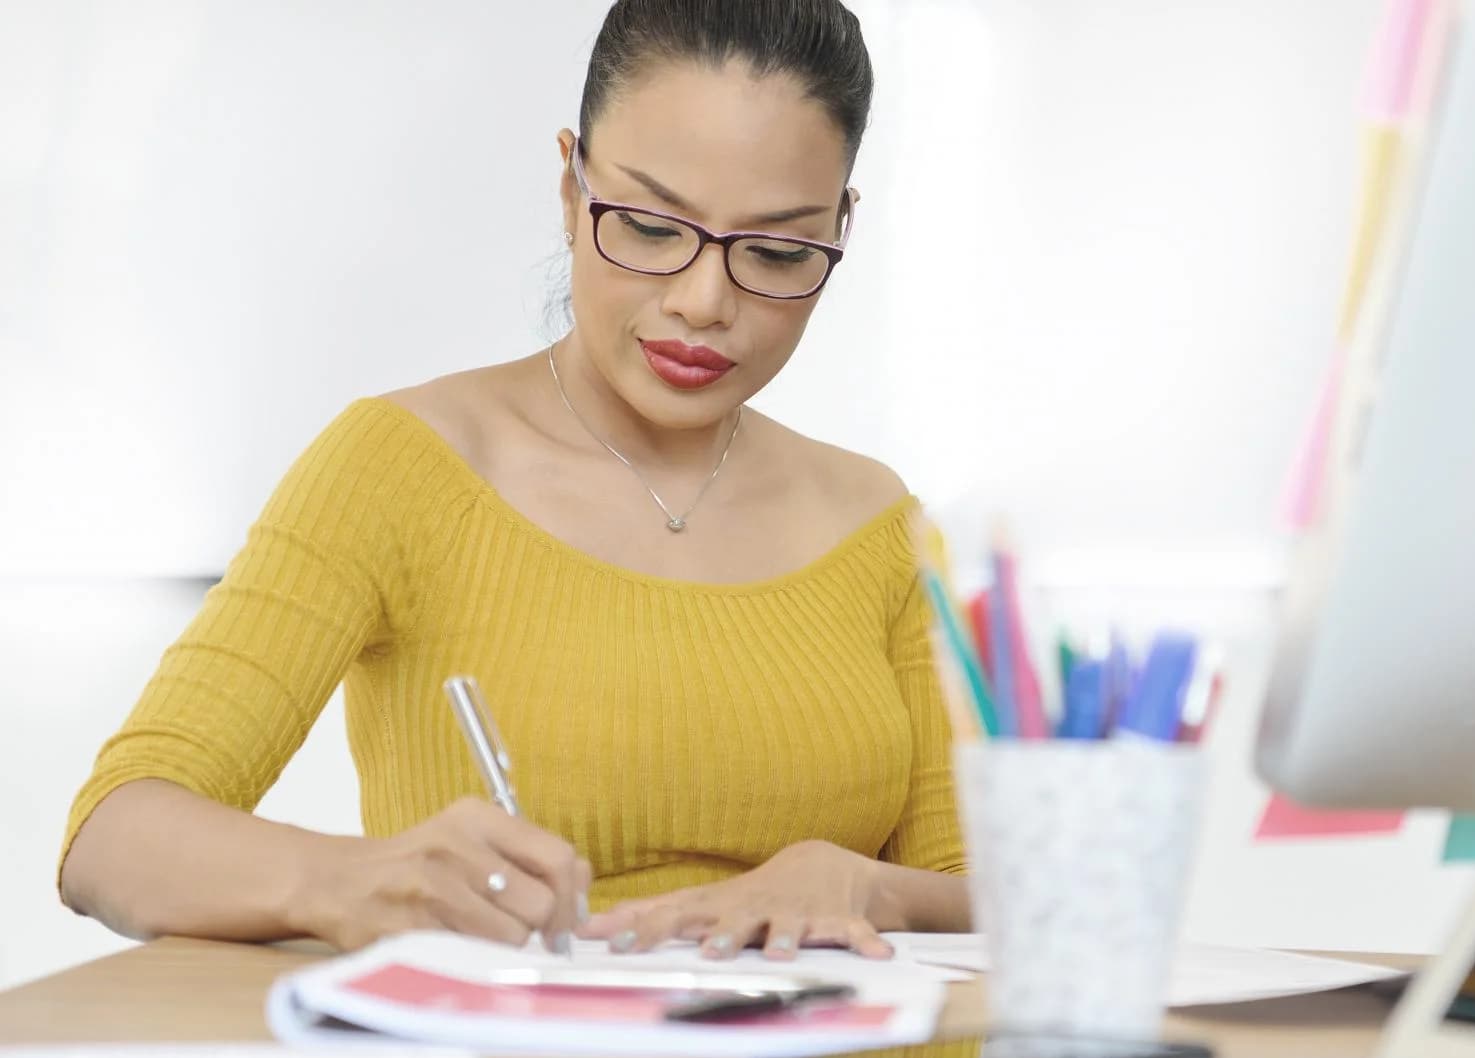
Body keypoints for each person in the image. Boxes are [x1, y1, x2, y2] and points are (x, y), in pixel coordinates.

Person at [57, 0, 970, 963]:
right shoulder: (402, 467)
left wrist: (868, 886)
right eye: (652, 227)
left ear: (840, 229)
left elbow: (989, 898)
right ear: (572, 188)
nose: (705, 303)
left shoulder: (883, 527)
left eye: (778, 251)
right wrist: (352, 882)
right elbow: (111, 839)